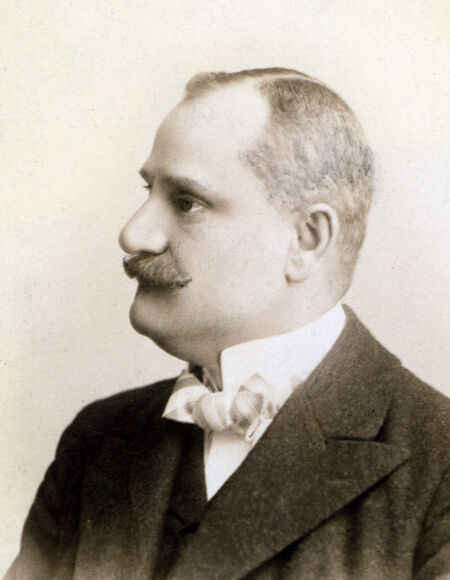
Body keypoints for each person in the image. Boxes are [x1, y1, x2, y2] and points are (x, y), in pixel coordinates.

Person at [7, 68, 449, 579]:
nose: (134, 235)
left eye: (186, 203)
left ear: (307, 240)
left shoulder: (437, 467)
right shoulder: (98, 439)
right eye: (148, 190)